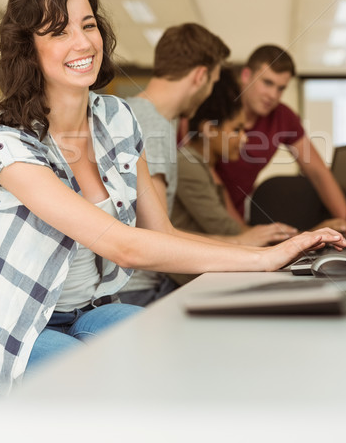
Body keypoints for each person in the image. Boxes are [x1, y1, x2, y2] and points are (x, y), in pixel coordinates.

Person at [0, 0, 346, 396]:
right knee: (94, 384)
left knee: (181, 356)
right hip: (23, 319)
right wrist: (263, 259)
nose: (83, 42)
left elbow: (161, 233)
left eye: (88, 25)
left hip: (92, 308)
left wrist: (277, 254)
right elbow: (121, 243)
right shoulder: (9, 145)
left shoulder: (118, 119)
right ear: (28, 50)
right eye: (59, 32)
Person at [120, 27, 296, 304]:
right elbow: (156, 236)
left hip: (152, 282)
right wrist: (250, 251)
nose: (210, 92)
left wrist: (247, 248)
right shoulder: (150, 126)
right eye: (213, 82)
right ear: (201, 76)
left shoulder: (149, 117)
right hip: (142, 290)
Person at [216, 45, 346, 234]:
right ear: (246, 75)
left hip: (237, 220)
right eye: (267, 83)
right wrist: (241, 233)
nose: (273, 95)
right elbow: (209, 179)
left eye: (281, 88)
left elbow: (318, 172)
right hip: (206, 214)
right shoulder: (218, 107)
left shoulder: (282, 116)